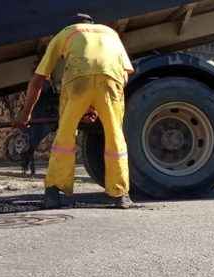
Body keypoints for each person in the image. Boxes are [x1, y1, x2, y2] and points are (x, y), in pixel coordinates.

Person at [14, 13, 137, 209]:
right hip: (111, 82)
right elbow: (124, 73)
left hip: (78, 80)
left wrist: (26, 113)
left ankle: (53, 191)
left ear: (72, 24)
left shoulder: (65, 33)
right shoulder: (110, 33)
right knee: (115, 136)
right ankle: (120, 194)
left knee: (65, 136)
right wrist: (98, 103)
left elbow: (39, 79)